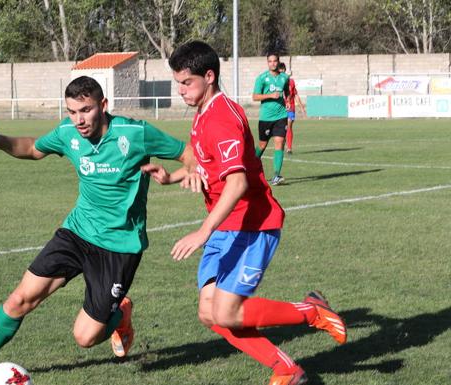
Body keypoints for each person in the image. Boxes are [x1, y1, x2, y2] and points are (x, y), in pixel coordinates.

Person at [0, 76, 195, 385]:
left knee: (85, 337)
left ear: (103, 106)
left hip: (119, 246)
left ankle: (121, 314)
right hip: (77, 232)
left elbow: (187, 153)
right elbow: (31, 148)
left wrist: (182, 174)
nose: (79, 120)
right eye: (72, 111)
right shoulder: (67, 133)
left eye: (85, 110)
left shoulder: (135, 133)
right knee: (19, 299)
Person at [142, 41, 347, 385]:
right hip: (228, 227)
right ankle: (287, 369)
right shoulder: (204, 112)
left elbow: (236, 184)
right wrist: (173, 176)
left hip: (252, 225)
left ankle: (311, 311)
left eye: (186, 82)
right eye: (177, 82)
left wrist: (202, 232)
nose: (180, 90)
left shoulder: (222, 117)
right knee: (211, 314)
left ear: (209, 76)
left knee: (226, 311)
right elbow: (203, 159)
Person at [252, 53, 290, 185]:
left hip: (281, 116)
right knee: (262, 145)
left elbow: (287, 91)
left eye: (275, 61)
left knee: (279, 142)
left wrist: (288, 100)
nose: (272, 63)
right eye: (270, 61)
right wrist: (270, 96)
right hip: (266, 118)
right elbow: (255, 97)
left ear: (278, 62)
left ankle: (276, 175)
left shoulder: (285, 77)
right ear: (267, 63)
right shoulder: (262, 78)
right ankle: (250, 168)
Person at [277, 62, 306, 155]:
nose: (281, 72)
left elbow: (296, 95)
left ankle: (289, 147)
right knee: (283, 128)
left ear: (285, 71)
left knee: (289, 125)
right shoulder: (276, 82)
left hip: (291, 108)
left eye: (283, 70)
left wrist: (301, 107)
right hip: (280, 108)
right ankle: (283, 142)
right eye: (280, 70)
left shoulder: (291, 82)